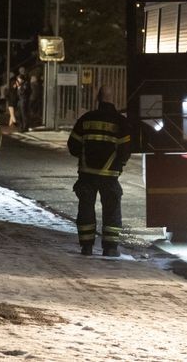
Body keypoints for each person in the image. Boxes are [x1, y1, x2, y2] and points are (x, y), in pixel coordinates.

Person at [67, 86, 131, 257]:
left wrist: (85, 156)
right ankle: (110, 248)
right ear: (113, 99)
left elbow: (72, 146)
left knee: (86, 208)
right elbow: (125, 150)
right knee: (111, 210)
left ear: (98, 98)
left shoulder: (86, 119)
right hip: (110, 176)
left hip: (87, 174)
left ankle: (86, 247)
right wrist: (119, 164)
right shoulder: (121, 122)